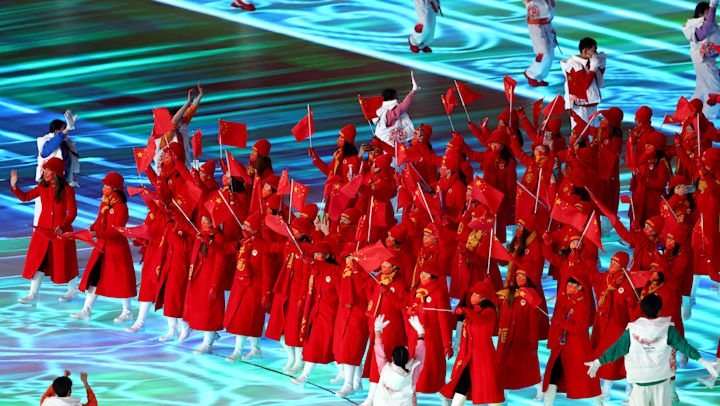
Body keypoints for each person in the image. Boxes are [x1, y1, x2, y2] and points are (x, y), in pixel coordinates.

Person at [585, 294, 719, 406]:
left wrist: (598, 362)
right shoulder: (668, 329)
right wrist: (704, 361)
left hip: (640, 383)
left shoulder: (632, 331)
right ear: (660, 310)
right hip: (661, 382)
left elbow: (615, 350)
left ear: (642, 309)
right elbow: (685, 347)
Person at [10, 158, 79, 307]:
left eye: (48, 170)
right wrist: (14, 186)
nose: (45, 172)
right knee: (39, 261)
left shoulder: (67, 189)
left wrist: (63, 225)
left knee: (66, 261)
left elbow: (73, 212)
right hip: (43, 231)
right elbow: (26, 197)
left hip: (61, 232)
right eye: (45, 169)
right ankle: (32, 295)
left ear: (55, 173)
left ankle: (73, 291)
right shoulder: (42, 186)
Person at [72, 172, 136, 322]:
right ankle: (86, 310)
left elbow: (116, 231)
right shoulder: (105, 203)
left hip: (116, 249)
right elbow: (99, 220)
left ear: (115, 189)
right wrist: (92, 228)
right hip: (102, 247)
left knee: (121, 280)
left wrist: (97, 233)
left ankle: (127, 311)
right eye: (105, 185)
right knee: (94, 278)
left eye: (108, 186)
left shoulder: (121, 208)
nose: (104, 188)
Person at [372, 314, 426, 406]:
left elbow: (378, 351)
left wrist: (377, 330)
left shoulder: (384, 369)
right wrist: (420, 333)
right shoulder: (413, 371)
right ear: (408, 358)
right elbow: (420, 355)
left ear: (392, 358)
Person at [683, 0, 720, 119]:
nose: (710, 16)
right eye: (708, 13)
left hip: (704, 64)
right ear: (700, 14)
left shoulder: (706, 24)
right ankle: (706, 122)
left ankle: (688, 120)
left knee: (700, 92)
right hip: (705, 64)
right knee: (715, 91)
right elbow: (705, 30)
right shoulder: (694, 25)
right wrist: (713, 5)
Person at [561, 37, 606, 124]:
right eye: (594, 51)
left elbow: (596, 77)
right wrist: (593, 68)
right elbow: (583, 85)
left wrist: (602, 64)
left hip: (591, 103)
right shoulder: (573, 64)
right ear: (585, 51)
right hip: (580, 107)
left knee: (593, 131)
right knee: (581, 131)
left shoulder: (589, 61)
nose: (596, 53)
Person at [373, 72, 419, 149]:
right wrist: (413, 91)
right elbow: (402, 107)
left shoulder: (387, 111)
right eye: (395, 98)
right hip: (387, 145)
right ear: (389, 100)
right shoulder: (388, 113)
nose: (397, 100)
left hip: (389, 145)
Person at [523, 0, 557, 86]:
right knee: (544, 53)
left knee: (550, 54)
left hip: (547, 24)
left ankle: (539, 77)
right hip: (537, 26)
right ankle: (530, 74)